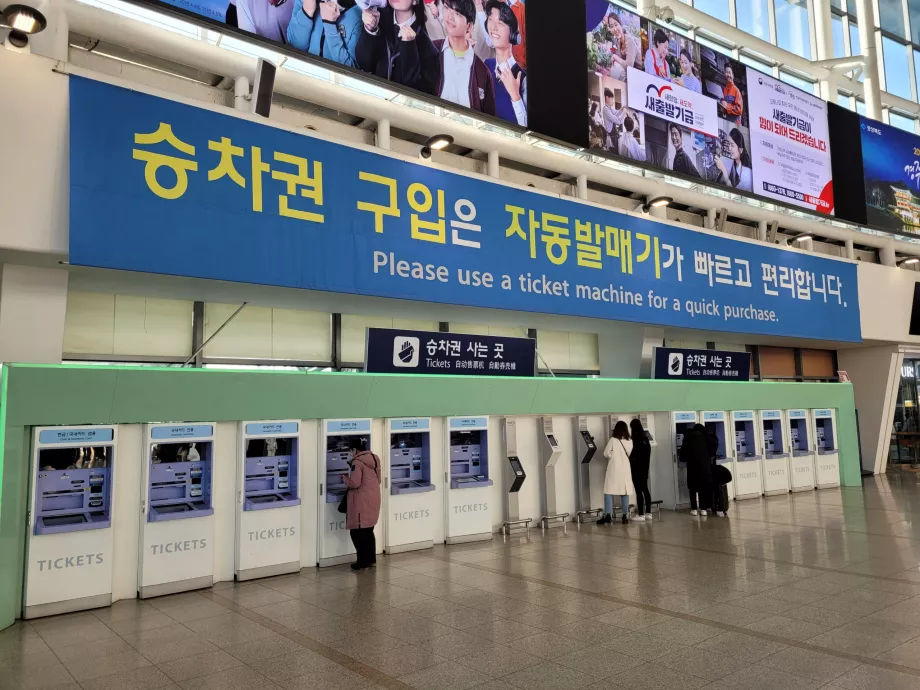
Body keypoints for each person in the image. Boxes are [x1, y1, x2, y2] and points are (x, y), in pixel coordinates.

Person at [355, 0, 440, 96]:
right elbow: (364, 64)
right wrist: (371, 30)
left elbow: (416, 93)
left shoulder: (427, 47)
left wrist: (408, 46)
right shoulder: (377, 19)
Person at [434, 0, 496, 115]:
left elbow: (490, 117)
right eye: (447, 8)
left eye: (457, 13)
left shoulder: (482, 72)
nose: (450, 17)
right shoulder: (431, 50)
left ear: (469, 26)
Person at [342, 436, 382, 570]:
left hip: (361, 501)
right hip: (374, 499)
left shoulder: (357, 463)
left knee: (357, 532)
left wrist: (344, 478)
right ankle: (371, 560)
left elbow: (354, 483)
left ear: (354, 449)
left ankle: (362, 562)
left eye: (350, 451)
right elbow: (378, 480)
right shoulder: (375, 458)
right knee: (369, 531)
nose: (350, 453)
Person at [484, 0, 525, 126]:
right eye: (490, 19)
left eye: (500, 23)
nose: (494, 27)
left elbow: (533, 131)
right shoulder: (485, 66)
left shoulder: (522, 77)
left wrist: (515, 96)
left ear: (513, 35)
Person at [287, 0, 362, 66]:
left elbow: (351, 69)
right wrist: (307, 11)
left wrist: (330, 25)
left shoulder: (359, 13)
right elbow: (295, 46)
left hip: (333, 79)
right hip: (302, 72)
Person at [597, 421, 634, 525]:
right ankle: (624, 516)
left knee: (609, 491)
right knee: (624, 492)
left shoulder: (613, 440)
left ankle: (608, 514)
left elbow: (606, 453)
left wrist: (612, 455)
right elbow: (630, 453)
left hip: (614, 469)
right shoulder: (630, 440)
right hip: (625, 469)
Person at [681, 424, 712, 516]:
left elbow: (683, 454)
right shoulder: (705, 438)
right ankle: (703, 509)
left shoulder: (687, 438)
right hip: (704, 467)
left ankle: (694, 509)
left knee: (693, 488)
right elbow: (711, 451)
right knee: (703, 488)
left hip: (692, 466)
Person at [629, 418, 652, 521]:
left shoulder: (635, 438)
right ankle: (648, 512)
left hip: (636, 468)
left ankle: (641, 514)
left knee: (638, 490)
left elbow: (632, 454)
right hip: (645, 467)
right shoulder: (645, 438)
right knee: (645, 489)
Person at [606, 12, 638, 81]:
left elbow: (629, 67)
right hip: (629, 77)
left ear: (621, 25)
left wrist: (615, 56)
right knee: (615, 67)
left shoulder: (629, 41)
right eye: (611, 26)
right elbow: (620, 64)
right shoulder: (618, 42)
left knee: (617, 68)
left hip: (638, 77)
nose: (614, 29)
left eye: (616, 25)